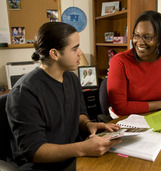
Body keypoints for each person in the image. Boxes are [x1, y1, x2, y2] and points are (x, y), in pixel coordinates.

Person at [6, 22, 121, 170]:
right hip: (43, 166)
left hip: (74, 157)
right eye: (75, 48)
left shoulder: (71, 78)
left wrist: (88, 124)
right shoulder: (25, 92)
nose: (80, 52)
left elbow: (79, 114)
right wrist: (83, 148)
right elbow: (34, 151)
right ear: (54, 54)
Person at [107, 11, 161, 116]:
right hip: (126, 119)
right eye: (137, 36)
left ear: (159, 40)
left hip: (156, 117)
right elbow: (121, 108)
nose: (140, 42)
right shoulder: (120, 61)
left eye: (147, 37)